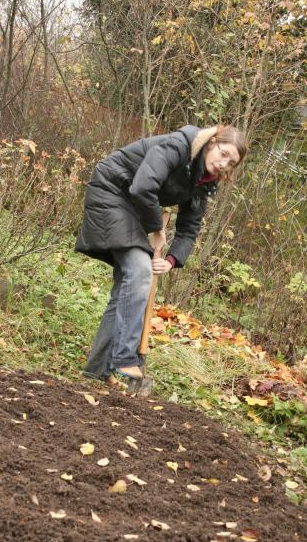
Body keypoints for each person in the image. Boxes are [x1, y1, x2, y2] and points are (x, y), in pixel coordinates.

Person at [75, 124, 247, 385]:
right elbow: (144, 186)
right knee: (140, 270)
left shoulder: (204, 181)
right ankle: (124, 359)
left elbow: (190, 226)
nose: (224, 164)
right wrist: (156, 228)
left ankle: (97, 370)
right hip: (112, 189)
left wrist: (172, 259)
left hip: (133, 206)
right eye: (224, 154)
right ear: (212, 142)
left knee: (128, 284)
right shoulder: (180, 145)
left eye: (231, 162)